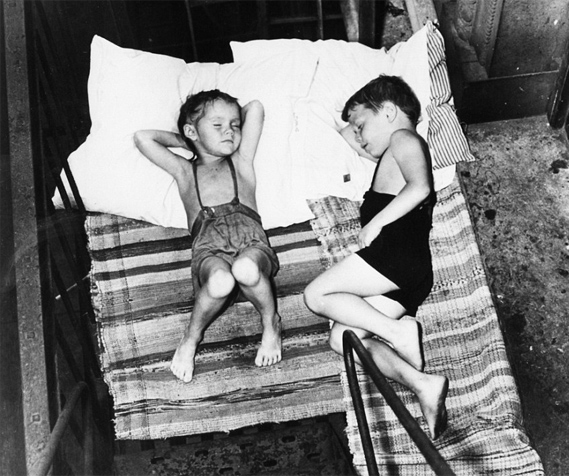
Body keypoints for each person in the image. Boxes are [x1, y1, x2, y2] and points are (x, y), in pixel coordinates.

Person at [303, 75, 448, 439]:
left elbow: (420, 187)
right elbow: (347, 137)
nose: (359, 135)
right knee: (342, 340)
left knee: (316, 295)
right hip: (410, 272)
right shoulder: (388, 152)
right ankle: (422, 384)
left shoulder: (403, 139)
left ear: (389, 112)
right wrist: (356, 120)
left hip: (395, 254)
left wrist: (376, 223)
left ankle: (398, 332)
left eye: (361, 125)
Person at [135, 89, 281, 383]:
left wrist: (214, 130)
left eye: (234, 125)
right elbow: (143, 138)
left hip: (251, 245)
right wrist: (187, 140)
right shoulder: (184, 171)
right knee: (220, 281)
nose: (229, 131)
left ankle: (271, 323)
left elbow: (255, 107)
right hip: (209, 250)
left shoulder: (241, 161)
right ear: (192, 131)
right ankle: (191, 338)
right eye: (217, 125)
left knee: (245, 269)